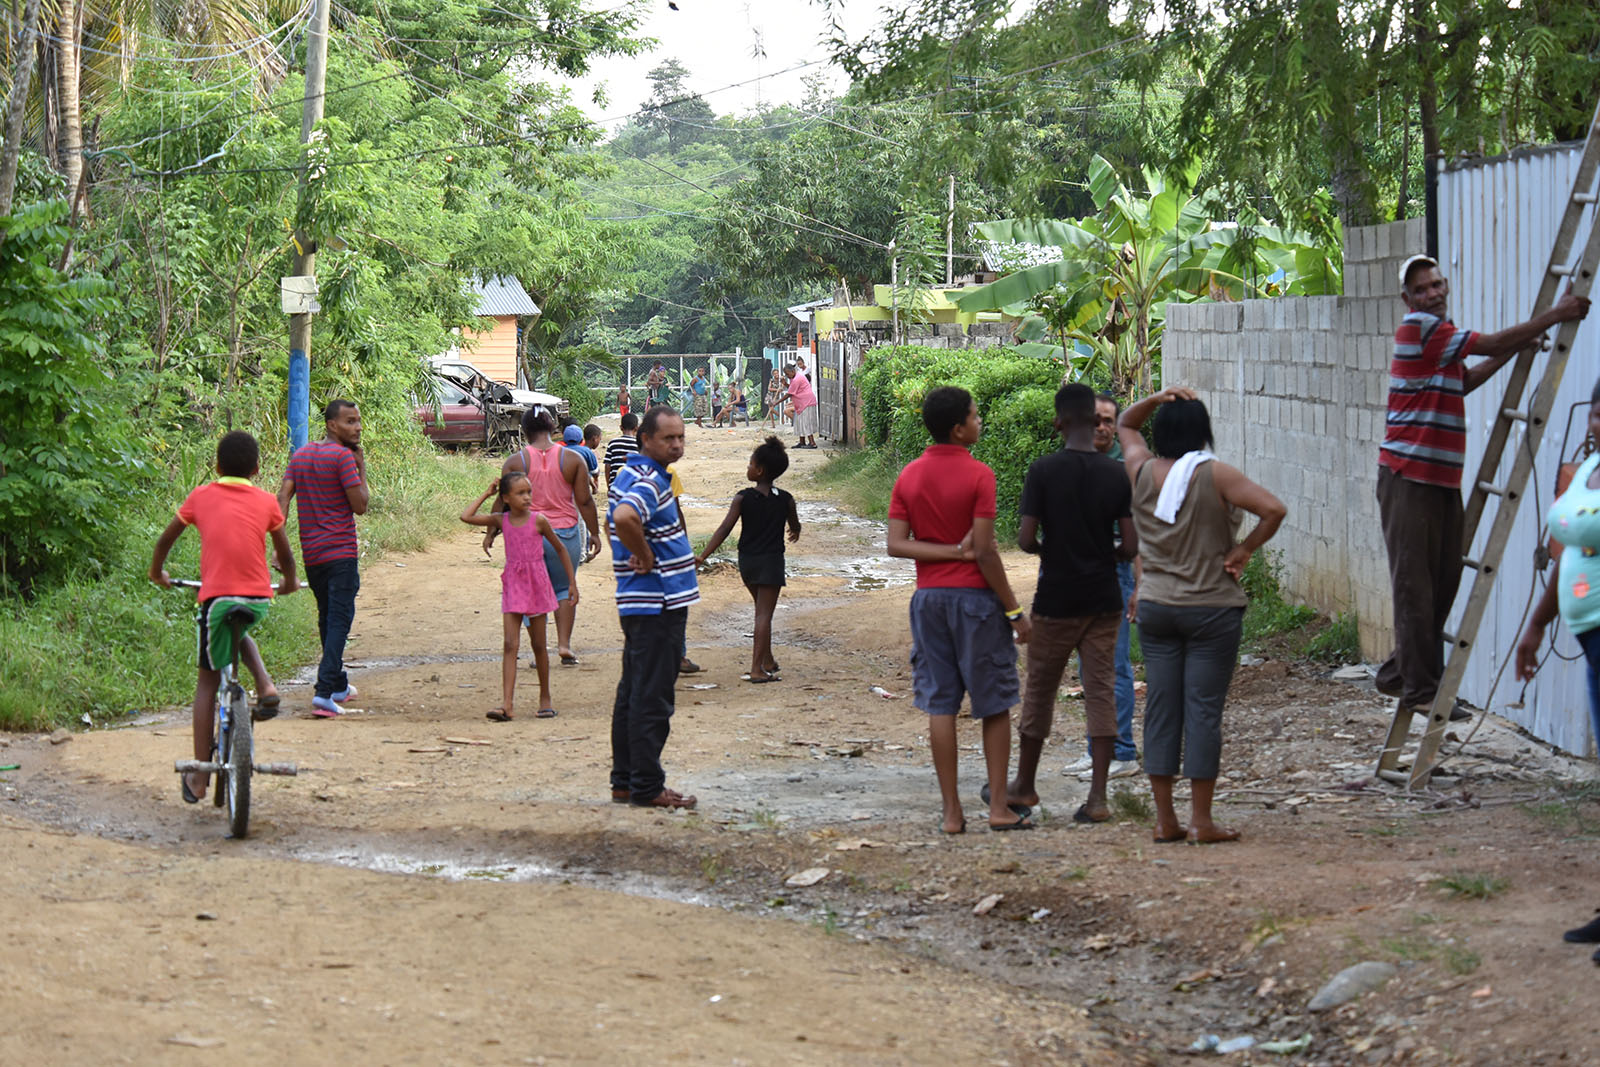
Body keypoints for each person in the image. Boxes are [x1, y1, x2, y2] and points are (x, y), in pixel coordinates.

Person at [1377, 254, 1590, 725]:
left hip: (1440, 479)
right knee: (1415, 587)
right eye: (1423, 289)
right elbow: (1489, 342)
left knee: (1443, 584)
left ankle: (1400, 671)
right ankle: (1420, 689)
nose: (1433, 293)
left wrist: (1516, 350)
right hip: (1408, 476)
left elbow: (1466, 380)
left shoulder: (1442, 336)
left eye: (1437, 284)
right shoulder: (1419, 328)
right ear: (1407, 300)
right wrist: (1557, 314)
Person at [1118, 386, 1286, 844]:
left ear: (1162, 430)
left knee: (1161, 709)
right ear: (1203, 432)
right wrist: (1244, 550)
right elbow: (1273, 509)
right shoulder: (1217, 475)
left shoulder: (1140, 471)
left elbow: (1125, 425)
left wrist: (1154, 398)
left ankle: (1164, 820)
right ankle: (1202, 821)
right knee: (1203, 712)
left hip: (1155, 606)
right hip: (1211, 608)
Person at [889, 385, 1033, 834]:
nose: (979, 421)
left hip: (927, 601)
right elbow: (985, 551)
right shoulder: (979, 476)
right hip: (975, 601)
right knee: (994, 704)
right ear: (957, 428)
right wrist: (1014, 611)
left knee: (940, 703)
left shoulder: (909, 476)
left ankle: (951, 812)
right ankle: (997, 809)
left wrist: (945, 552)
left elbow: (897, 545)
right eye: (974, 416)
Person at [1008, 384, 1136, 823]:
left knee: (1040, 691)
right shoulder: (1116, 474)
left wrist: (1051, 550)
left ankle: (1024, 785)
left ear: (1059, 422)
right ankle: (1098, 799)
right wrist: (1106, 555)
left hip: (1057, 598)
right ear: (1096, 422)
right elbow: (1131, 542)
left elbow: (1025, 539)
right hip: (1104, 599)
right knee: (1100, 691)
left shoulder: (1043, 470)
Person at [151, 431, 298, 802]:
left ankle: (199, 777)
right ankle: (265, 683)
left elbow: (166, 539)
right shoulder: (267, 501)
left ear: (216, 466)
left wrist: (158, 572)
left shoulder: (202, 496)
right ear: (257, 468)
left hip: (216, 600)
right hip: (258, 598)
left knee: (206, 682)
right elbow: (284, 551)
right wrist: (290, 581)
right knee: (240, 629)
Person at [1516, 379, 1600, 962]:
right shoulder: (1590, 464)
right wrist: (1537, 624)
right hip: (1587, 634)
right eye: (1597, 411)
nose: (1596, 422)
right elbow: (1564, 552)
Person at [608, 405, 700, 809]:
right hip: (657, 602)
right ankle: (646, 785)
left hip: (641, 602)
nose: (677, 445)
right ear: (645, 439)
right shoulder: (648, 479)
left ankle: (625, 781)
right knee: (653, 696)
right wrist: (645, 555)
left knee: (633, 691)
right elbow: (627, 516)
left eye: (680, 437)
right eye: (668, 438)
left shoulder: (632, 473)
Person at [1062, 392, 1143, 780]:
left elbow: (1139, 528)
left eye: (1110, 421)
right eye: (1096, 420)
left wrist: (1139, 584)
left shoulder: (1124, 467)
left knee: (1114, 665)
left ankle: (1123, 751)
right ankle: (1097, 749)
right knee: (1088, 666)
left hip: (1114, 570)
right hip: (1079, 571)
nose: (1103, 427)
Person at [278, 399, 369, 718]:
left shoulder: (300, 455)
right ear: (332, 425)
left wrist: (280, 547)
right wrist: (361, 468)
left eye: (357, 421)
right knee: (340, 620)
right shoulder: (343, 457)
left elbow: (283, 496)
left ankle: (339, 684)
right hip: (340, 552)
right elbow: (360, 505)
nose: (357, 427)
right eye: (349, 421)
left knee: (327, 617)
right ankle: (324, 691)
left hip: (313, 554)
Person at [490, 407, 601, 667]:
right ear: (554, 429)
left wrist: (492, 532)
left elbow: (502, 502)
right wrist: (594, 533)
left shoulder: (515, 462)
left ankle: (538, 649)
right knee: (564, 589)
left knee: (531, 592)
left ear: (525, 431)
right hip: (567, 534)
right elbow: (584, 501)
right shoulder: (573, 460)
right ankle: (564, 644)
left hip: (529, 535)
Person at [461, 473, 576, 721]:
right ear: (506, 498)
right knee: (509, 645)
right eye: (520, 493)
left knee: (538, 645)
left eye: (529, 492)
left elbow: (561, 549)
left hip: (536, 586)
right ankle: (507, 704)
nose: (527, 497)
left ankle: (545, 697)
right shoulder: (501, 520)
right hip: (514, 586)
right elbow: (466, 516)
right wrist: (487, 493)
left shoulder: (539, 520)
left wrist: (572, 583)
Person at [696, 436, 802, 683]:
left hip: (748, 563)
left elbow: (724, 530)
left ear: (760, 470)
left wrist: (703, 555)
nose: (748, 468)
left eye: (750, 464)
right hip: (772, 563)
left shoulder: (742, 498)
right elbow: (795, 524)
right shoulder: (785, 499)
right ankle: (756, 669)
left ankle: (767, 660)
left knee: (760, 611)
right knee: (764, 615)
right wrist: (795, 531)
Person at [785, 364, 819, 449]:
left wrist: (776, 402)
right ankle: (802, 442)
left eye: (787, 374)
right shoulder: (794, 378)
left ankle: (812, 443)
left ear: (793, 371)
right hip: (801, 404)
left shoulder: (797, 378)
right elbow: (792, 389)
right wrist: (785, 383)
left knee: (806, 423)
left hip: (807, 403)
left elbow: (789, 393)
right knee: (799, 422)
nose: (787, 376)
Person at [604, 412, 641, 491]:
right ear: (637, 428)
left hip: (615, 485)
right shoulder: (639, 444)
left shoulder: (612, 443)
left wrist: (608, 485)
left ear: (621, 427)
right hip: (633, 486)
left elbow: (607, 466)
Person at [565, 423, 600, 497]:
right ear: (581, 439)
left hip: (563, 489)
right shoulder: (586, 452)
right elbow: (595, 472)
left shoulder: (560, 451)